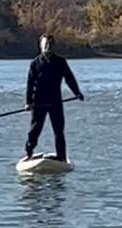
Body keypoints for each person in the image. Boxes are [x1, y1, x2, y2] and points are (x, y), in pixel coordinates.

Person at [24, 33, 84, 162]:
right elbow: (30, 84)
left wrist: (77, 93)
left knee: (59, 130)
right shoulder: (35, 63)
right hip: (38, 102)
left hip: (55, 101)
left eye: (50, 44)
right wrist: (28, 102)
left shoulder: (60, 62)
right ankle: (29, 153)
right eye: (45, 44)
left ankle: (61, 156)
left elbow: (69, 78)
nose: (48, 46)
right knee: (35, 129)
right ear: (40, 46)